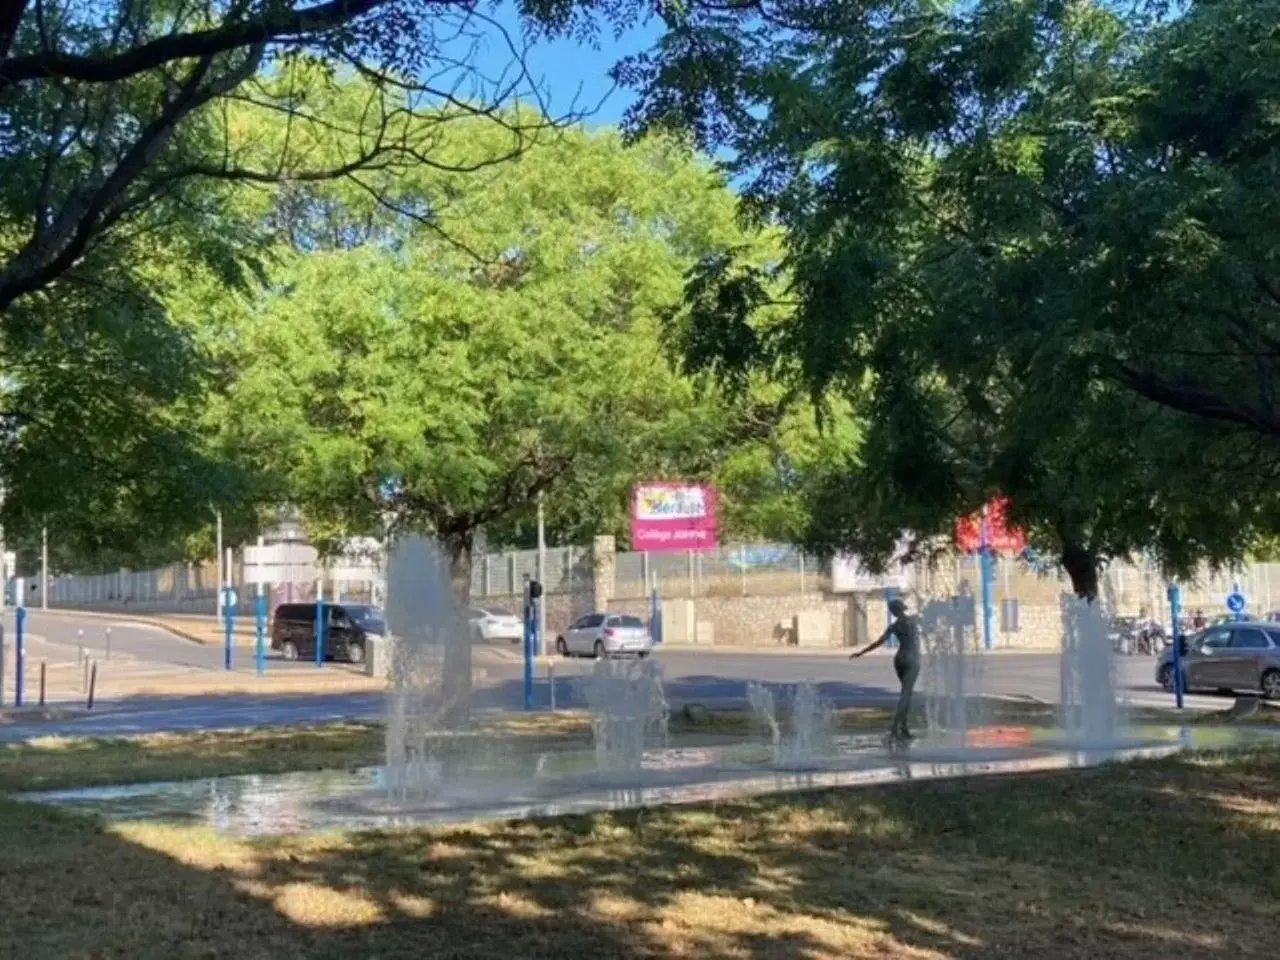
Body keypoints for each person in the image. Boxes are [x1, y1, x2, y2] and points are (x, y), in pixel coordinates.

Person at [850, 598, 919, 742]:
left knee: (905, 694)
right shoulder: (913, 621)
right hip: (912, 659)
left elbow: (879, 642)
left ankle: (903, 728)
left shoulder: (894, 626)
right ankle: (895, 728)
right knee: (906, 694)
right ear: (903, 609)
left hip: (899, 659)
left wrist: (861, 652)